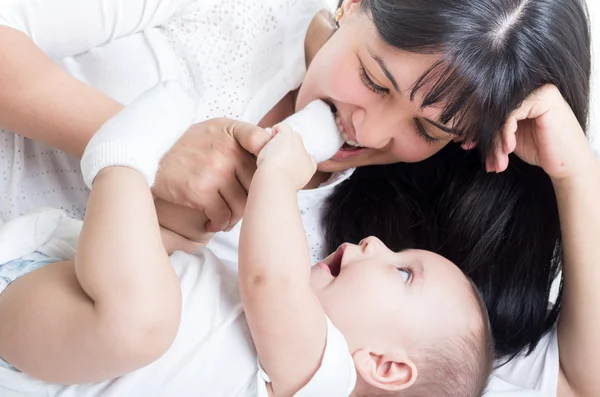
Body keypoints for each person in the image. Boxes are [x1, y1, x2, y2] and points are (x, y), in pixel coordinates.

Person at [0, 0, 592, 395]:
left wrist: (577, 174)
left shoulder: (358, 301)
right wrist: (154, 148)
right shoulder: (236, 14)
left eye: (428, 130)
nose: (373, 132)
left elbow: (580, 382)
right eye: (375, 80)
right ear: (352, 3)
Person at [0, 83, 494, 396]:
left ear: (384, 366)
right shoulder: (285, 341)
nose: (375, 244)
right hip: (68, 304)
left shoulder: (328, 380)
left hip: (48, 355)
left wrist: (280, 175)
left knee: (145, 321)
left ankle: (121, 156)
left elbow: (270, 281)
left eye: (403, 273)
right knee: (188, 234)